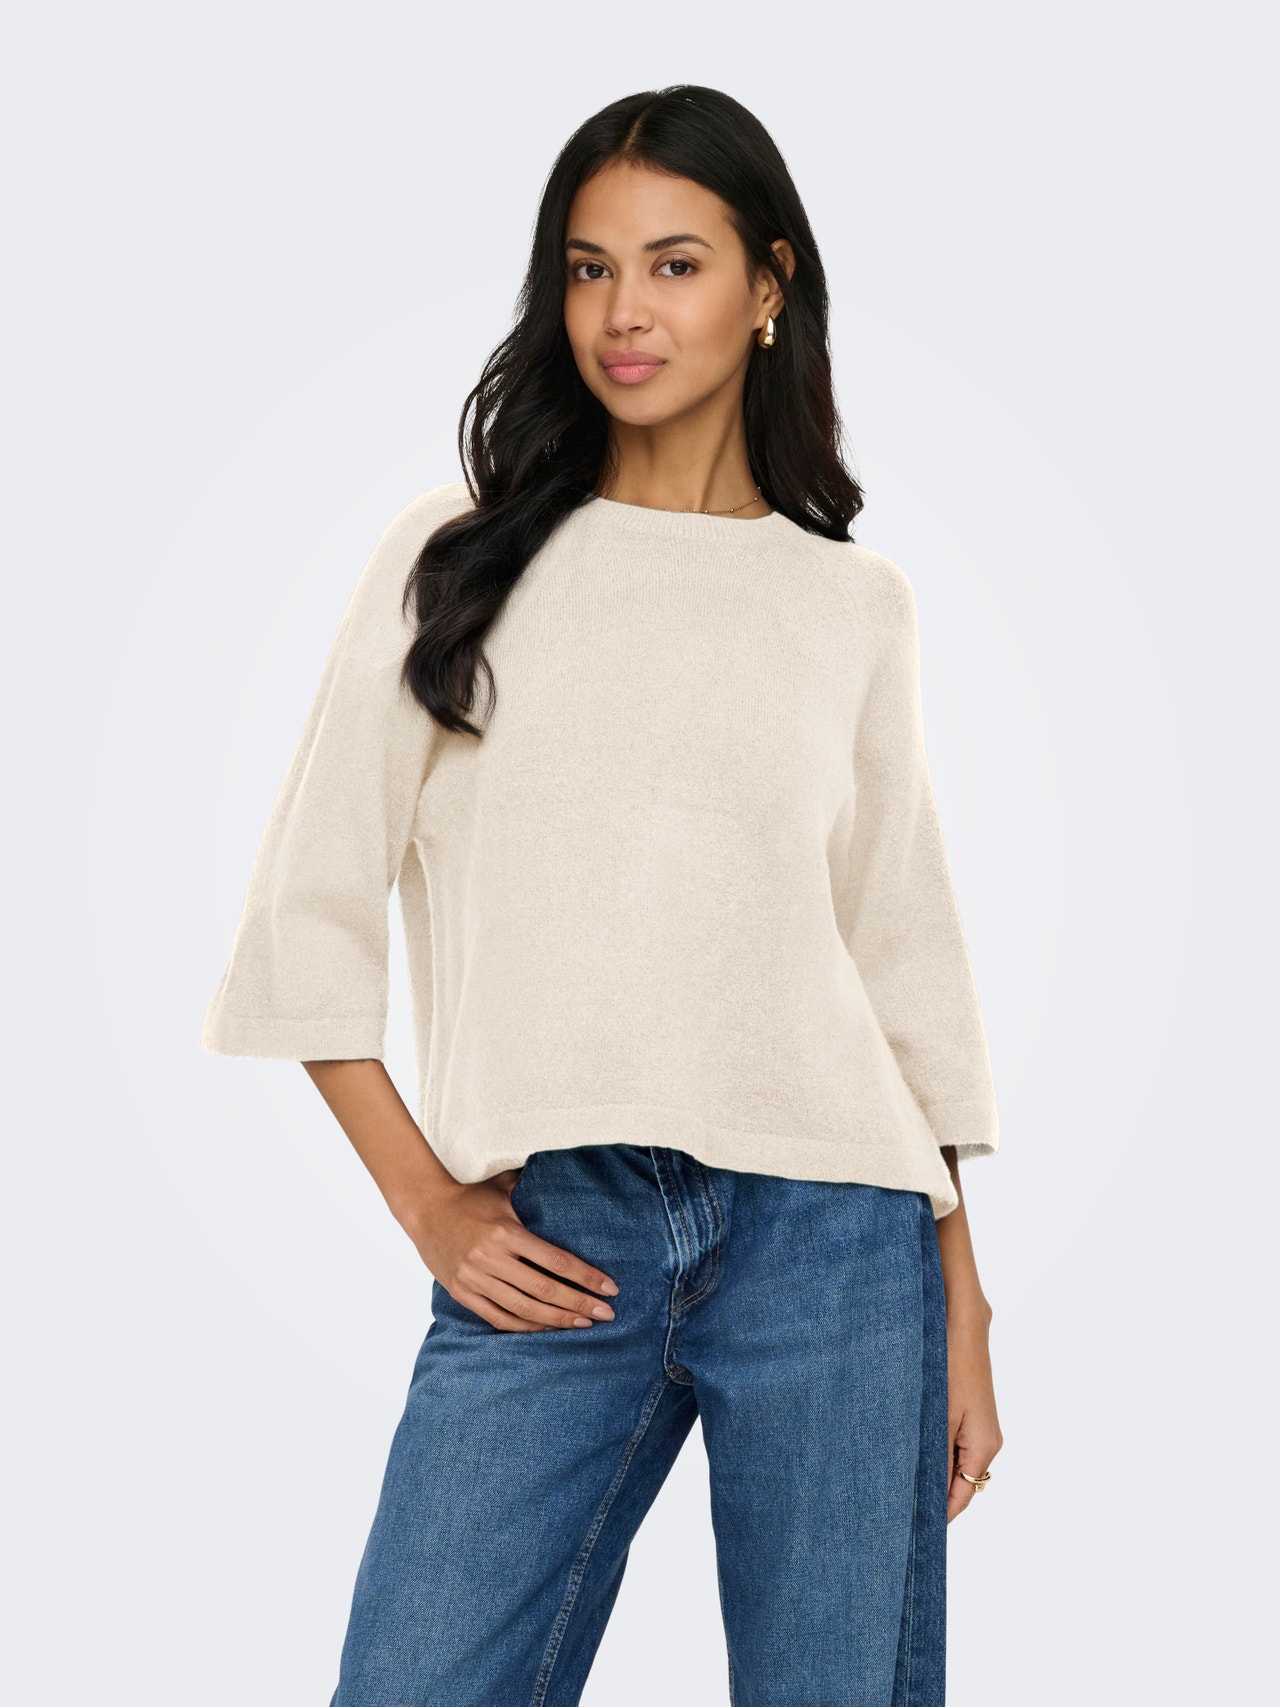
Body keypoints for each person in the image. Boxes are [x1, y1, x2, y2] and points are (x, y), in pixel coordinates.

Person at [202, 83, 1003, 1707]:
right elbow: (306, 916)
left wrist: (963, 1296)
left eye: (674, 264)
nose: (624, 311)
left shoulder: (851, 603)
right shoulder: (456, 557)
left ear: (770, 285)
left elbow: (898, 954)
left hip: (841, 1245)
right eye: (588, 268)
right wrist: (428, 1207)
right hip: (554, 1232)